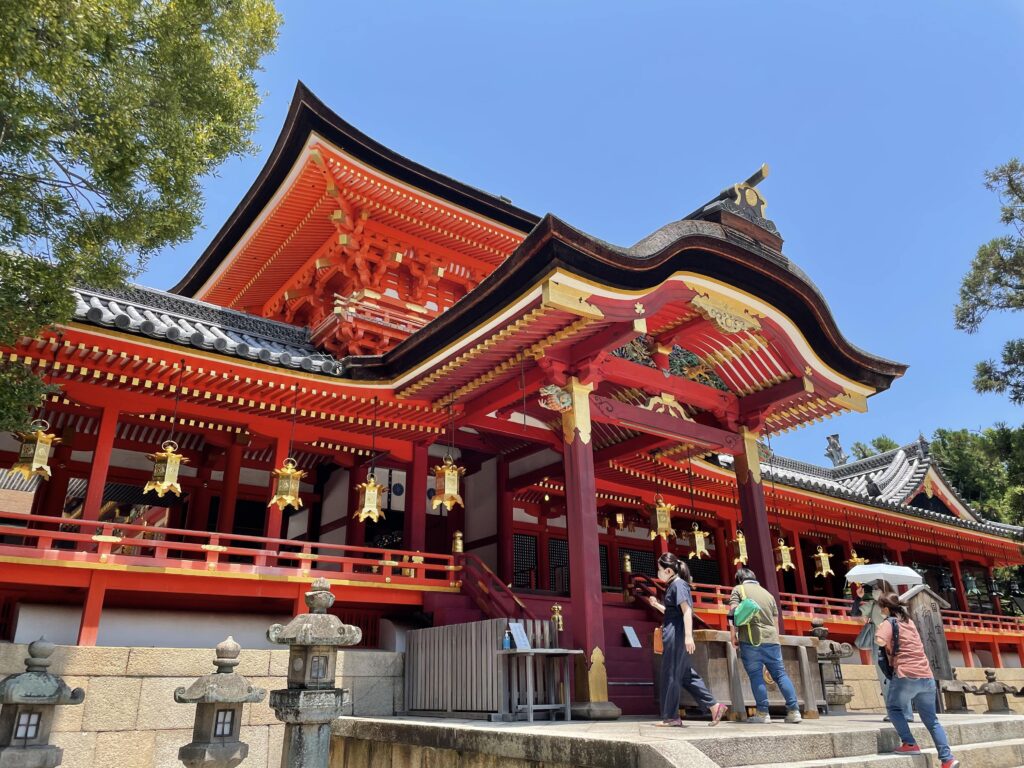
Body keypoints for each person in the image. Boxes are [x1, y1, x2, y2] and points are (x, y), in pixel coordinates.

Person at [876, 592, 959, 768]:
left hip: (906, 673)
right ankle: (947, 758)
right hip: (926, 675)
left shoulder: (888, 622)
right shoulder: (909, 622)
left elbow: (880, 641)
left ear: (885, 608)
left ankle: (910, 743)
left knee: (894, 708)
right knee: (932, 720)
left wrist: (878, 629)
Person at [648, 552, 729, 727]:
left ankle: (672, 717)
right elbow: (673, 612)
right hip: (673, 630)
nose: (658, 573)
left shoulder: (679, 585)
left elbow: (687, 611)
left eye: (660, 570)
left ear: (669, 571)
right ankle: (715, 706)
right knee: (685, 674)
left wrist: (688, 636)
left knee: (671, 674)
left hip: (676, 634)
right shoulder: (673, 585)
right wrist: (656, 605)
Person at [728, 567, 802, 724]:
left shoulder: (738, 589)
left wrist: (733, 635)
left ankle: (762, 713)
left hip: (751, 638)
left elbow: (733, 613)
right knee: (780, 674)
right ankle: (794, 711)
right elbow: (776, 622)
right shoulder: (769, 595)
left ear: (739, 578)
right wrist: (776, 638)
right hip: (772, 639)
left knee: (756, 675)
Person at [854, 581, 914, 723]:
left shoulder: (896, 607)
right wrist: (858, 598)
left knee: (899, 679)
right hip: (878, 646)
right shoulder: (873, 605)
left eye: (876, 588)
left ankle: (906, 713)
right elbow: (855, 612)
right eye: (873, 589)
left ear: (884, 590)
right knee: (885, 680)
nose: (874, 591)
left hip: (895, 646)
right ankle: (892, 712)